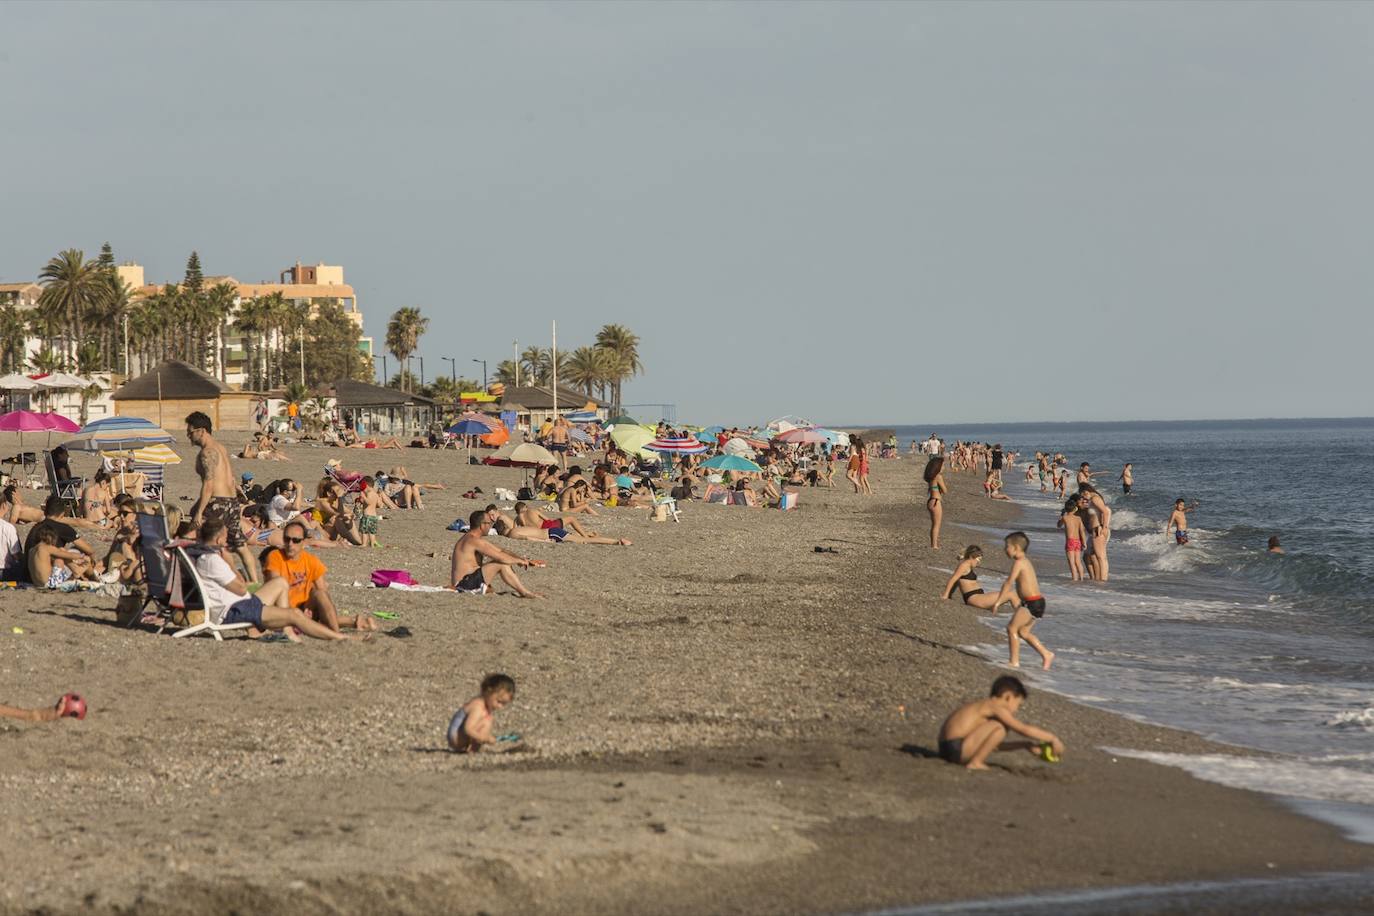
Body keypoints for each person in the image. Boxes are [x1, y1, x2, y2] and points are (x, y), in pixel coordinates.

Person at [194, 519, 355, 641]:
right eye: (225, 537)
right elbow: (241, 589)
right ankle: (341, 638)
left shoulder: (204, 557)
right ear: (218, 540)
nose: (227, 541)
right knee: (294, 614)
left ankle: (285, 629)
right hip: (233, 611)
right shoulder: (212, 560)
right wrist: (230, 564)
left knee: (280, 583)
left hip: (237, 604)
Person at [263, 520, 377, 632]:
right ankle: (353, 623)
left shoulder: (311, 561)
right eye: (287, 539)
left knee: (320, 593)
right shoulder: (275, 557)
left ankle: (337, 631)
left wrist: (311, 607)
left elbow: (323, 591)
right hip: (282, 611)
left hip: (306, 609)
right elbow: (276, 590)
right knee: (312, 612)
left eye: (296, 540)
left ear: (303, 542)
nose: (290, 544)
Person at [937, 676, 1064, 770]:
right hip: (956, 748)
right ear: (1008, 697)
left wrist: (1026, 745)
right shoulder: (994, 707)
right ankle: (975, 763)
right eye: (1018, 704)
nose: (1016, 709)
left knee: (998, 727)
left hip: (947, 749)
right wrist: (1053, 738)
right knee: (1000, 727)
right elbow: (1022, 729)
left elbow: (993, 746)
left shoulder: (983, 706)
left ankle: (975, 761)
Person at [186, 411, 256, 578]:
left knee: (200, 538)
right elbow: (230, 479)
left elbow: (209, 484)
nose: (188, 436)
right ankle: (254, 581)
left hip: (218, 502)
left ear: (201, 431)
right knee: (240, 545)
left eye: (190, 432)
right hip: (231, 502)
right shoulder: (221, 448)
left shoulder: (207, 453)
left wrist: (199, 512)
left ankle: (220, 577)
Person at [989, 532, 1054, 669]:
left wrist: (998, 601)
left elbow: (1008, 583)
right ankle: (1046, 654)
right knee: (1023, 632)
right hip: (1037, 602)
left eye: (1007, 546)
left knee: (1011, 628)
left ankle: (1014, 662)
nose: (1005, 549)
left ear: (1016, 548)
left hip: (1032, 603)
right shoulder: (1026, 561)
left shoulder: (1019, 563)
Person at [449, 510, 545, 598]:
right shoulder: (473, 541)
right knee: (501, 564)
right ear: (482, 525)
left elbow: (501, 551)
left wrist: (523, 559)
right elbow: (501, 557)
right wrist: (518, 561)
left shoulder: (471, 538)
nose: (490, 526)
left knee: (493, 584)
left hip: (468, 581)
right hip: (464, 585)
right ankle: (525, 593)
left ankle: (524, 592)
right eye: (489, 523)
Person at [446, 673, 517, 753]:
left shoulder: (485, 707)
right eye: (499, 701)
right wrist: (483, 738)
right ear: (488, 692)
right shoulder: (477, 707)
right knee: (486, 721)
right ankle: (473, 749)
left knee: (488, 719)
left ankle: (473, 750)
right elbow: (468, 729)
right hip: (456, 737)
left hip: (461, 736)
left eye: (504, 704)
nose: (500, 707)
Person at [940, 546, 1017, 612]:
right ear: (971, 556)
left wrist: (950, 594)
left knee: (1009, 593)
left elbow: (957, 581)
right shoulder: (964, 565)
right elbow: (953, 579)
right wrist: (945, 595)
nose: (979, 562)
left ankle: (1023, 614)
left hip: (979, 597)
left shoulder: (967, 566)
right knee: (1011, 594)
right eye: (978, 559)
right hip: (974, 598)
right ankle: (1023, 616)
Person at [1057, 495, 1087, 581]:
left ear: (1066, 509)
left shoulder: (1065, 517)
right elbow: (1082, 531)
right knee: (1078, 562)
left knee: (1071, 562)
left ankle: (1074, 579)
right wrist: (1084, 542)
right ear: (1075, 509)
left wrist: (1062, 515)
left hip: (1070, 542)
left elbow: (1058, 525)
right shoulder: (1078, 518)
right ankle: (1081, 578)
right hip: (1078, 541)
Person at [923, 455, 947, 550]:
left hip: (931, 500)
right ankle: (934, 545)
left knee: (934, 524)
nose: (944, 467)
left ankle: (934, 544)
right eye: (943, 465)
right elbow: (945, 490)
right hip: (936, 502)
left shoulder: (931, 476)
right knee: (936, 525)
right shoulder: (938, 476)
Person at [357, 477, 381, 547]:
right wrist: (361, 499)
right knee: (372, 532)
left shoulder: (369, 494)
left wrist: (363, 497)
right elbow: (379, 505)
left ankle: (364, 544)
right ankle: (372, 543)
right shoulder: (375, 494)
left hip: (367, 516)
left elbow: (368, 502)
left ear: (366, 486)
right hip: (374, 516)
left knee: (364, 531)